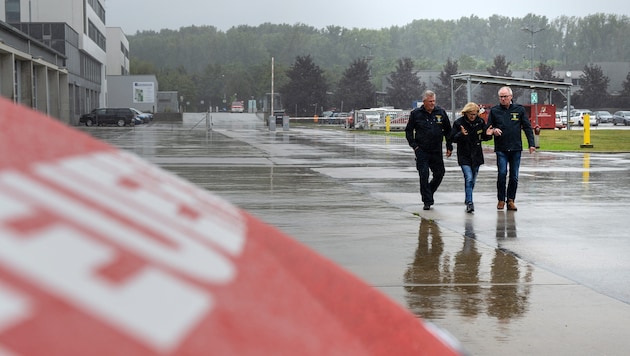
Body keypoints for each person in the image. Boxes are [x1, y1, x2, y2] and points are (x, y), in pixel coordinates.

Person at [486, 86, 536, 211]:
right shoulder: (494, 110)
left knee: (514, 176)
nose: (503, 99)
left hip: (515, 148)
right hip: (501, 148)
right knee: (502, 174)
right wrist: (493, 130)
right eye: (501, 97)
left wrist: (531, 144)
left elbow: (527, 127)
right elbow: (488, 129)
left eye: (505, 97)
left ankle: (511, 200)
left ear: (511, 97)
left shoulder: (519, 109)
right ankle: (501, 199)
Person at [405, 90, 453, 210]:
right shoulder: (416, 114)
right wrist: (414, 146)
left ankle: (429, 192)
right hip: (422, 150)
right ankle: (427, 201)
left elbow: (448, 130)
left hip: (436, 150)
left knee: (439, 173)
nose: (432, 103)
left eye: (434, 101)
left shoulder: (440, 112)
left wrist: (449, 145)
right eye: (430, 101)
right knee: (424, 175)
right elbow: (409, 131)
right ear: (424, 101)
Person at [450, 102, 494, 213]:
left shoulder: (480, 122)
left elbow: (484, 136)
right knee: (468, 178)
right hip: (464, 155)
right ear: (466, 113)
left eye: (474, 114)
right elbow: (452, 138)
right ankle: (470, 203)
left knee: (473, 180)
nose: (472, 116)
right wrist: (461, 134)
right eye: (470, 114)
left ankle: (467, 197)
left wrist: (489, 134)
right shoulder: (459, 123)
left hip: (476, 155)